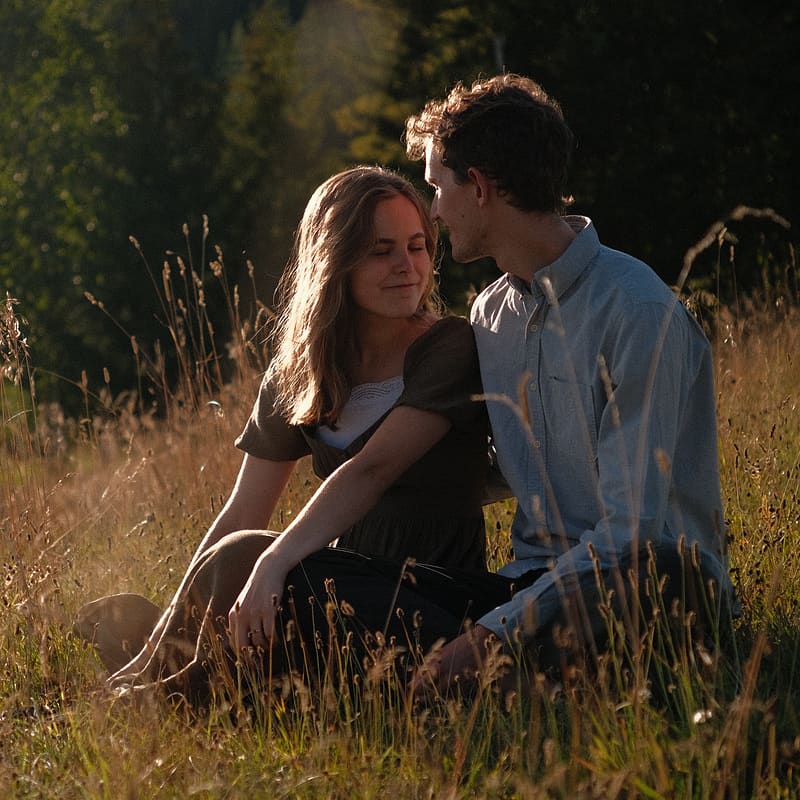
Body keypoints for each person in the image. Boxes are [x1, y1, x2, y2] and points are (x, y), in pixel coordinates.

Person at [77, 165, 511, 700]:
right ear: (334, 261)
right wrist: (169, 630)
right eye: (381, 250)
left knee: (248, 566)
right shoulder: (299, 370)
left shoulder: (448, 347)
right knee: (216, 579)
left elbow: (371, 470)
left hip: (431, 603)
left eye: (418, 246)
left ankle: (154, 695)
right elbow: (241, 514)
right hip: (333, 591)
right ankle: (152, 668)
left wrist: (273, 561)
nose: (407, 267)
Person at [402, 74, 735, 692]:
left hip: (645, 590)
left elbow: (627, 533)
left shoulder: (637, 312)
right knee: (320, 581)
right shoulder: (489, 318)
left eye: (438, 189)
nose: (434, 212)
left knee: (647, 567)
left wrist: (493, 635)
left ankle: (504, 676)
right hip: (533, 585)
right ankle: (513, 679)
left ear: (477, 186)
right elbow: (515, 468)